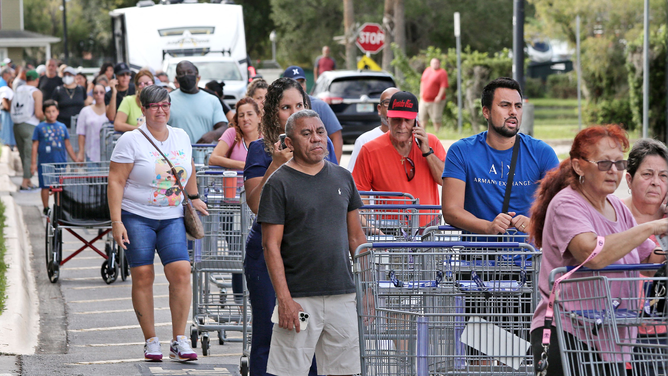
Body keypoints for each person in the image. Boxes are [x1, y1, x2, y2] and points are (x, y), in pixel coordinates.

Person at [528, 125, 668, 376]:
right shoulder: (566, 204)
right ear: (579, 166)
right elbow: (593, 254)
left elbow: (648, 257)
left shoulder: (617, 206)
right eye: (604, 163)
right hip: (568, 333)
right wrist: (652, 226)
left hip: (611, 333)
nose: (613, 170)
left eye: (619, 163)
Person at [258, 110, 365, 376]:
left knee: (344, 372)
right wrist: (284, 299)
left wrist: (368, 289)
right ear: (290, 143)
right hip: (299, 298)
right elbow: (270, 246)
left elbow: (357, 238)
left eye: (320, 132)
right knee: (288, 372)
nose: (316, 139)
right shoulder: (278, 183)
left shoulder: (343, 177)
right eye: (306, 134)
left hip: (342, 294)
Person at [243, 77, 338, 376]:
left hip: (311, 259)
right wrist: (276, 165)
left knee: (309, 339)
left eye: (300, 105)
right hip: (268, 256)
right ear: (274, 114)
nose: (295, 112)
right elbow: (256, 205)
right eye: (286, 107)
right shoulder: (260, 150)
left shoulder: (322, 147)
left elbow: (337, 196)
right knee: (270, 337)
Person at [108, 85, 208, 362]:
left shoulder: (180, 136)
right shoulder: (130, 140)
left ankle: (179, 340)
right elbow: (115, 181)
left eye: (165, 105)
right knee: (143, 275)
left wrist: (195, 196)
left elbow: (188, 167)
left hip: (172, 216)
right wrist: (116, 221)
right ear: (143, 109)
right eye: (155, 106)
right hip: (136, 215)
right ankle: (151, 340)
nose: (161, 110)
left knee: (180, 272)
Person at [442, 77, 559, 235]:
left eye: (518, 106)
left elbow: (562, 208)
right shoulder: (461, 151)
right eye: (505, 105)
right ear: (486, 112)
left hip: (526, 256)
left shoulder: (542, 152)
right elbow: (451, 211)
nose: (513, 111)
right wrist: (488, 227)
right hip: (476, 257)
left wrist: (535, 224)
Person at [352, 91, 446, 208]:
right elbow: (359, 195)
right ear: (388, 119)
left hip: (428, 225)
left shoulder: (431, 142)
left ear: (416, 122)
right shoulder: (369, 150)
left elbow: (445, 181)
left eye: (407, 120)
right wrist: (369, 225)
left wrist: (427, 152)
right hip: (385, 226)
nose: (402, 126)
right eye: (397, 119)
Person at [283, 65, 343, 163]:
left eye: (301, 82)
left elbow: (336, 136)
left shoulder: (320, 105)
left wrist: (335, 168)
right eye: (294, 83)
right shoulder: (279, 108)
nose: (299, 86)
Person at [31, 100, 78, 215]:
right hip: (44, 163)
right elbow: (35, 146)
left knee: (59, 186)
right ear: (44, 113)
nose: (51, 114)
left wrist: (75, 160)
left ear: (58, 112)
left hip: (60, 162)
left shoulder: (62, 127)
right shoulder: (39, 128)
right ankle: (46, 207)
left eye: (53, 111)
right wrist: (33, 163)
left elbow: (67, 144)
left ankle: (58, 207)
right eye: (48, 112)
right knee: (45, 186)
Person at [168, 61, 227, 144]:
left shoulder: (212, 100)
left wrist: (213, 134)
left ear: (196, 75)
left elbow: (223, 127)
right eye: (181, 73)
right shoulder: (167, 100)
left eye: (189, 72)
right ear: (177, 78)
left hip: (206, 154)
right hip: (176, 155)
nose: (186, 76)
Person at [347, 87, 399, 172]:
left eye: (398, 103)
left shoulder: (415, 140)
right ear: (379, 109)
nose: (393, 107)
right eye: (388, 103)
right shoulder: (364, 141)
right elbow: (352, 178)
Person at [11, 70, 43, 190]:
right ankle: (25, 182)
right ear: (37, 80)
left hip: (16, 125)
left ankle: (28, 180)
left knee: (23, 154)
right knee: (30, 154)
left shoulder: (18, 89)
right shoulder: (36, 92)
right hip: (30, 125)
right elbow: (38, 113)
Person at [208, 97, 261, 170]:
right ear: (237, 121)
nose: (245, 119)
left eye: (250, 114)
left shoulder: (267, 136)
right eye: (241, 116)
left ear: (259, 117)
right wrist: (245, 165)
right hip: (234, 181)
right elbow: (213, 159)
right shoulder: (232, 133)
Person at [76, 84, 108, 162]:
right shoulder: (85, 111)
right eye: (96, 93)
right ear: (93, 95)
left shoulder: (111, 111)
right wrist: (81, 152)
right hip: (91, 153)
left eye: (101, 92)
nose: (98, 95)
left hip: (108, 153)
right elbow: (81, 133)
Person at [418, 58, 449, 132]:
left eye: (436, 63)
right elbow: (422, 82)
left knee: (436, 118)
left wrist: (439, 96)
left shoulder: (442, 72)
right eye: (433, 63)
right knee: (422, 117)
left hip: (435, 100)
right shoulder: (427, 70)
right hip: (424, 99)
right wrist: (421, 92)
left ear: (439, 64)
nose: (435, 64)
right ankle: (422, 132)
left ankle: (437, 132)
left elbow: (443, 86)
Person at [0, 77, 15, 148]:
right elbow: (4, 100)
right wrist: (9, 109)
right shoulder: (6, 89)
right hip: (5, 113)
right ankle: (5, 146)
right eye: (11, 82)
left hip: (9, 113)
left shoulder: (12, 90)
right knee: (5, 131)